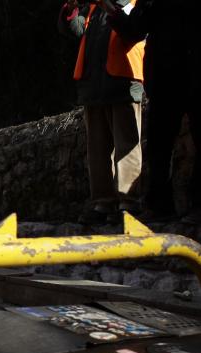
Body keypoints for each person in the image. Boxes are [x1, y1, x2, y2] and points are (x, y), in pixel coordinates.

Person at [105, 0, 201, 223]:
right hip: (165, 74)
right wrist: (111, 11)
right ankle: (159, 205)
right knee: (159, 143)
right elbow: (135, 29)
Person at [59, 0, 146, 224]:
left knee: (126, 144)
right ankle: (102, 203)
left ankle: (128, 203)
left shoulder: (134, 3)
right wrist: (71, 11)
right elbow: (78, 31)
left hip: (123, 78)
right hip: (94, 85)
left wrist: (108, 6)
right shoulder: (94, 8)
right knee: (97, 148)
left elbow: (133, 31)